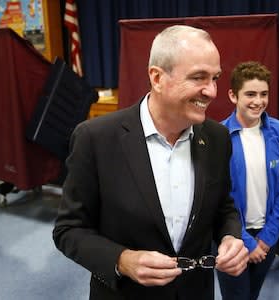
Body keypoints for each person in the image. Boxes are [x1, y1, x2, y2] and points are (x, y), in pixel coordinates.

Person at [53, 25, 249, 300]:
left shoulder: (217, 138)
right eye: (198, 78)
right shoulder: (95, 138)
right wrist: (121, 260)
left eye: (215, 78)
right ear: (157, 78)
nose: (212, 91)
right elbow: (68, 230)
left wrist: (230, 236)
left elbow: (223, 206)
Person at [217, 61, 279, 300]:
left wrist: (266, 239)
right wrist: (247, 242)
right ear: (233, 95)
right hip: (231, 237)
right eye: (250, 94)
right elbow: (219, 199)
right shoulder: (218, 137)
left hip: (267, 235)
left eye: (263, 94)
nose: (258, 101)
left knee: (252, 295)